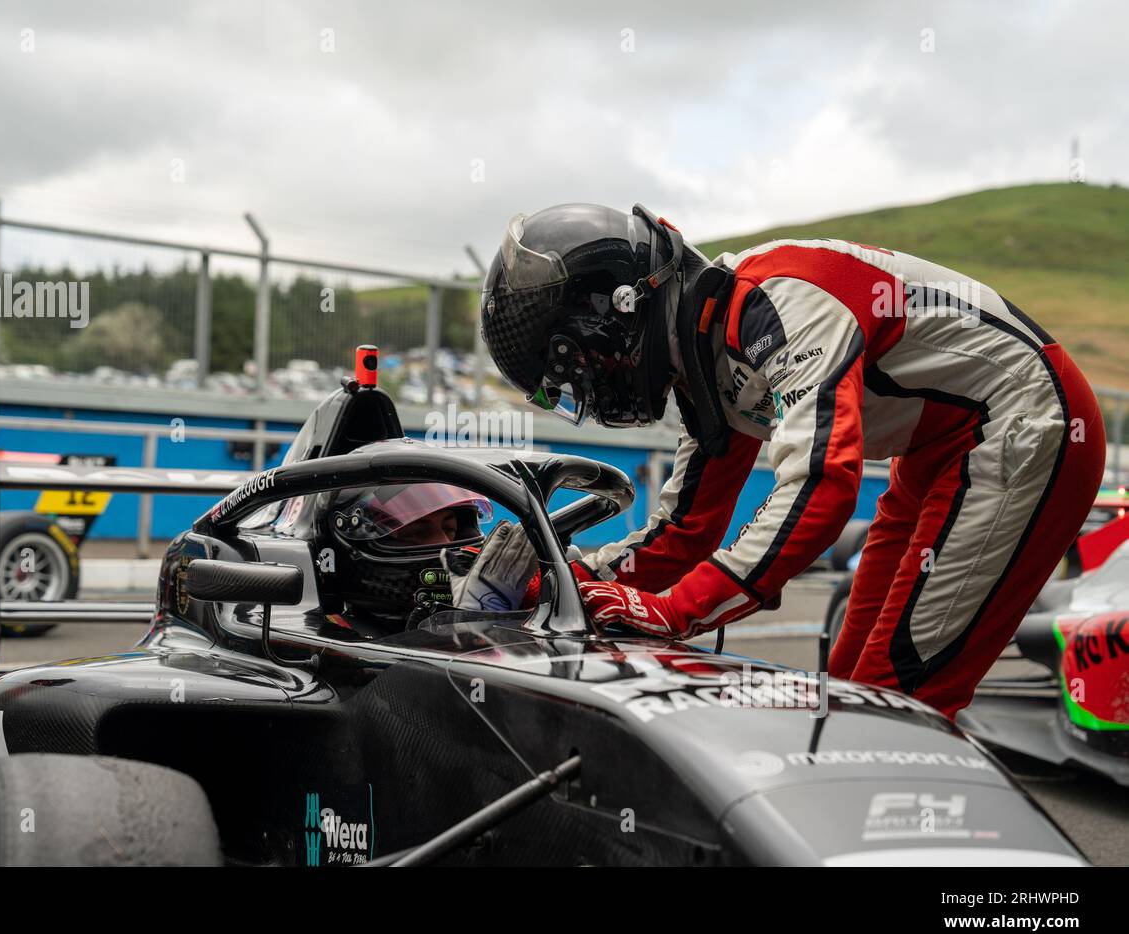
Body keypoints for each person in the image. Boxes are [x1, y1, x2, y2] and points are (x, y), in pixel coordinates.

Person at [470, 201, 1104, 718]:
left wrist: (675, 610)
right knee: (852, 695)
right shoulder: (704, 353)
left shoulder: (780, 301)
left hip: (1027, 420)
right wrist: (566, 577)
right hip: (939, 448)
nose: (585, 391)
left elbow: (822, 483)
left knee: (896, 703)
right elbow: (684, 532)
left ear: (619, 314)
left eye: (574, 368)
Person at [325, 483, 492, 631]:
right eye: (418, 532)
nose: (444, 543)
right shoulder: (326, 641)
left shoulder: (489, 610)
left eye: (450, 528)